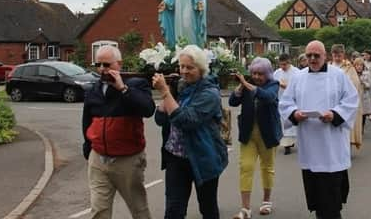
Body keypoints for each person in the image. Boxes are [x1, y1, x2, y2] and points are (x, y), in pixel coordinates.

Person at [279, 40, 359, 219]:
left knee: (331, 202)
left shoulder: (338, 75)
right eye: (309, 55)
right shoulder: (298, 77)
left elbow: (352, 100)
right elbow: (285, 102)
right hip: (309, 145)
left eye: (317, 55)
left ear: (325, 56)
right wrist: (295, 113)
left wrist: (334, 114)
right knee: (316, 198)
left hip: (332, 145)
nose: (313, 59)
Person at [152, 45, 228, 219]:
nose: (184, 71)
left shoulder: (210, 94)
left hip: (203, 157)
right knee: (173, 210)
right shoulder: (179, 87)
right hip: (175, 157)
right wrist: (168, 93)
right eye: (181, 66)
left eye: (190, 67)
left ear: (201, 69)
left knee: (207, 208)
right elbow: (160, 120)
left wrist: (164, 92)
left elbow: (186, 120)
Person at [82, 45, 156, 219]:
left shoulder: (136, 85)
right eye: (98, 64)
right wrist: (88, 147)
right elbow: (87, 121)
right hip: (99, 159)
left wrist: (123, 89)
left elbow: (148, 109)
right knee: (99, 210)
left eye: (106, 65)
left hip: (127, 160)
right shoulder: (95, 89)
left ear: (119, 64)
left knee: (138, 209)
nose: (101, 69)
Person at [229, 57, 282, 218]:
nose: (257, 77)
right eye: (254, 73)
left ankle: (266, 202)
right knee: (246, 167)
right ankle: (245, 209)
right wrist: (239, 86)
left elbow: (268, 97)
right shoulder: (246, 85)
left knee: (267, 168)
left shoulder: (273, 85)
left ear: (268, 74)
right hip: (248, 134)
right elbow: (232, 102)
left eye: (261, 74)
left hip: (268, 134)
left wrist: (246, 84)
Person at [329, 44, 363, 150]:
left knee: (345, 127)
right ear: (332, 55)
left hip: (344, 102)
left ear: (343, 54)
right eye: (335, 55)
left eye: (339, 55)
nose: (337, 57)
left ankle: (346, 148)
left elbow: (355, 84)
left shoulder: (349, 67)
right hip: (330, 101)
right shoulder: (328, 66)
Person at [272, 53, 300, 155]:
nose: (282, 67)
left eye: (284, 64)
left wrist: (286, 86)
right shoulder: (277, 73)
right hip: (280, 101)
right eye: (281, 64)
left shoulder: (297, 72)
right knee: (283, 124)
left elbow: (300, 87)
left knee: (292, 124)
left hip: (293, 102)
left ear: (289, 62)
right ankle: (286, 145)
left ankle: (290, 142)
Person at [353, 57, 371, 132]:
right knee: (355, 114)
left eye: (360, 65)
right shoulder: (353, 75)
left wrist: (364, 83)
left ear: (363, 66)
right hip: (355, 97)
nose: (359, 67)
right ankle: (356, 129)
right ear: (354, 66)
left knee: (363, 114)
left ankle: (361, 128)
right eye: (357, 65)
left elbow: (370, 84)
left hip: (364, 96)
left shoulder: (366, 74)